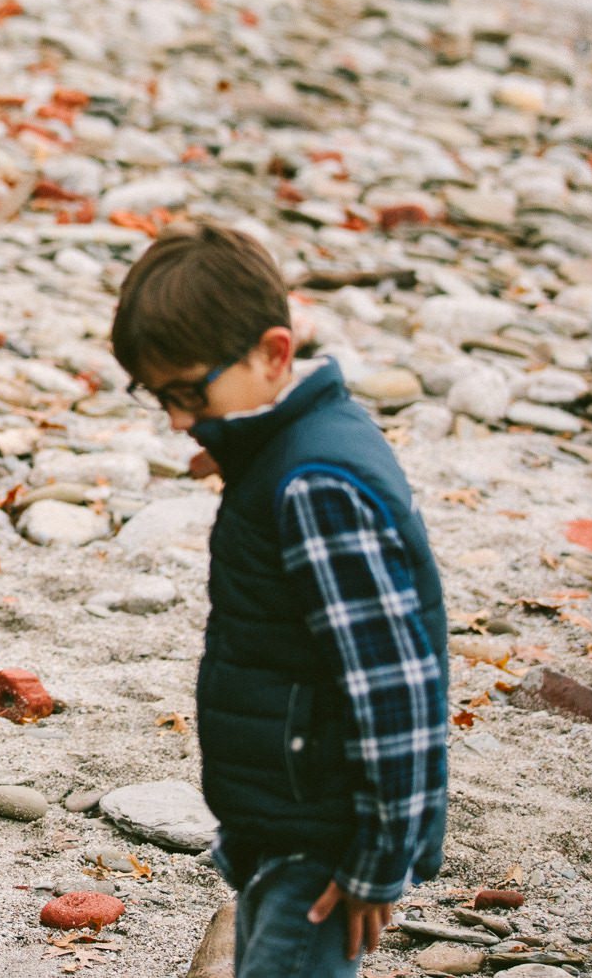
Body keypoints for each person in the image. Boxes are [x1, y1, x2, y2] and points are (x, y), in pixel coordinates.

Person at [110, 222, 449, 976]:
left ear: (274, 352)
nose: (174, 419)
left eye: (188, 392)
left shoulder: (316, 483)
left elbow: (395, 684)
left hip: (325, 839)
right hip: (287, 820)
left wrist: (378, 860)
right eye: (158, 396)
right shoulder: (288, 452)